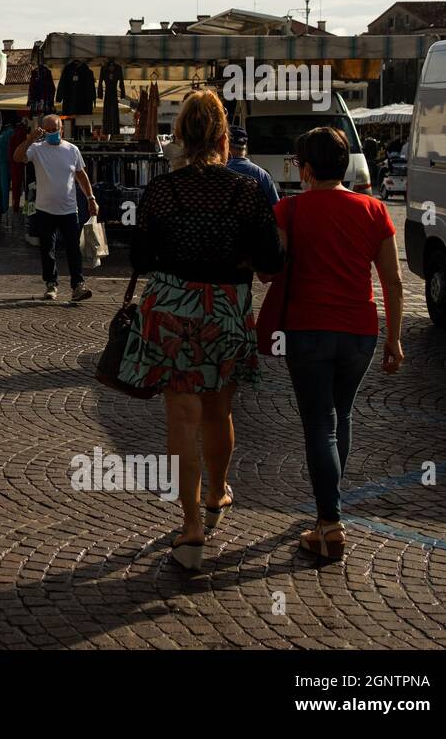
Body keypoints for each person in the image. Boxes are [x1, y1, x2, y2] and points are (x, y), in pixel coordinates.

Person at [118, 90, 284, 570]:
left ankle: (190, 528)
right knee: (219, 411)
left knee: (181, 420)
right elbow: (273, 262)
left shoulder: (163, 191)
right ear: (224, 136)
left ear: (180, 137)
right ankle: (216, 495)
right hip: (226, 309)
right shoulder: (247, 192)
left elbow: (141, 258)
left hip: (171, 308)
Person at [275, 126, 404, 562]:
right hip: (359, 331)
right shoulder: (374, 209)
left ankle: (329, 523)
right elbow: (392, 280)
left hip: (307, 328)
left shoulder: (289, 210)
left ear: (307, 169)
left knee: (319, 424)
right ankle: (328, 510)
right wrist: (395, 337)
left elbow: (270, 272)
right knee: (340, 416)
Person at [14, 114, 99, 302]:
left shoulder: (72, 150)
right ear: (43, 130)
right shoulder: (36, 149)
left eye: (56, 129)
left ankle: (78, 285)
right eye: (49, 130)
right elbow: (18, 157)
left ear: (62, 129)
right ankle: (51, 284)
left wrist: (91, 198)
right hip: (45, 209)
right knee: (47, 249)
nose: (53, 133)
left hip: (69, 209)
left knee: (73, 248)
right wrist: (29, 139)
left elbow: (81, 175)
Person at [225, 126, 279, 206]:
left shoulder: (218, 172)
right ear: (245, 147)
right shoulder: (263, 175)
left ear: (226, 145)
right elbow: (275, 206)